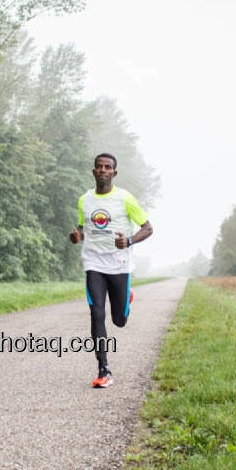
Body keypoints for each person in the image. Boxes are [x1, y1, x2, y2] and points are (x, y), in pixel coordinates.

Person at [68, 153, 154, 388]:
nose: (103, 170)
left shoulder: (125, 199)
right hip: (93, 262)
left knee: (119, 320)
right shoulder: (84, 200)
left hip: (119, 264)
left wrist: (129, 240)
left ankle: (125, 299)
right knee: (97, 314)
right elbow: (82, 227)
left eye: (108, 167)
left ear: (114, 173)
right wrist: (77, 235)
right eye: (99, 167)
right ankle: (104, 369)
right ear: (94, 171)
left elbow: (148, 228)